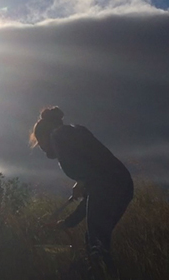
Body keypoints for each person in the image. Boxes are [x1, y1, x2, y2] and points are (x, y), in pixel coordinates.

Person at [30, 106, 133, 268]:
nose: (41, 147)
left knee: (96, 241)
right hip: (124, 183)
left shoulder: (57, 135)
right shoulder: (75, 131)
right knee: (98, 237)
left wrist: (83, 181)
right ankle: (107, 278)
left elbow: (95, 180)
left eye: (39, 141)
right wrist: (68, 222)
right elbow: (93, 191)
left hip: (108, 185)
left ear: (44, 134)